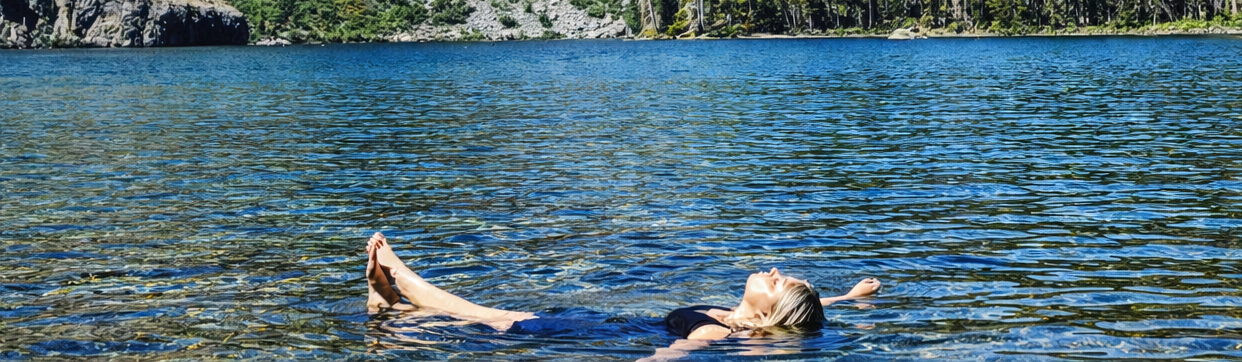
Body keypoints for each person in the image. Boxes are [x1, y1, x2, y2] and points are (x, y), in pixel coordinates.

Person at [364, 231, 881, 354]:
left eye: (778, 280)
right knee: (495, 315)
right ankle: (388, 307)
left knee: (491, 316)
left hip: (588, 334)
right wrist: (848, 296)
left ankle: (402, 279)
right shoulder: (752, 320)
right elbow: (805, 316)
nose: (772, 269)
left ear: (771, 312)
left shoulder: (712, 330)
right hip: (603, 323)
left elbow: (673, 354)